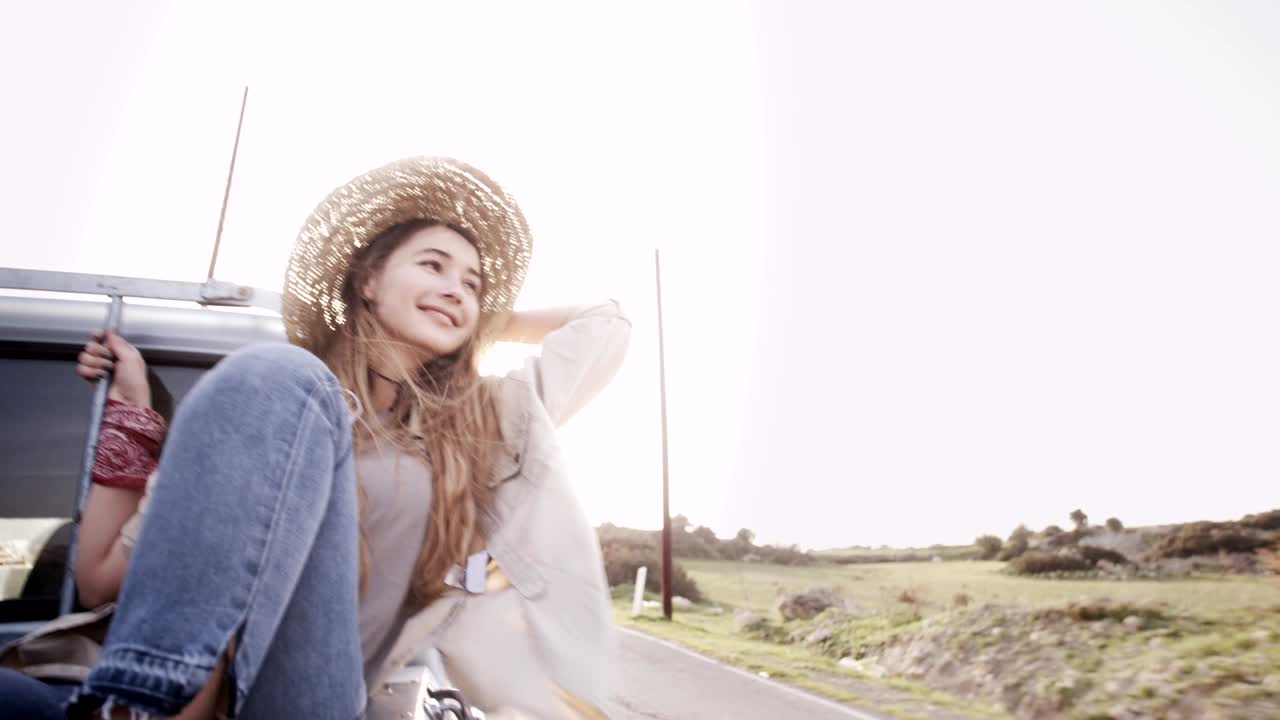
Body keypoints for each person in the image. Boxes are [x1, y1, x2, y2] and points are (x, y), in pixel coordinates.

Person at [60, 157, 629, 719]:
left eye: (471, 283)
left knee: (280, 374)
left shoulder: (475, 425)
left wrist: (479, 317)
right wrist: (134, 410)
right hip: (184, 683)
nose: (456, 289)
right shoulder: (266, 418)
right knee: (279, 377)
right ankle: (149, 702)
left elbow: (604, 324)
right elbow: (98, 581)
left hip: (310, 697)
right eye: (433, 265)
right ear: (369, 281)